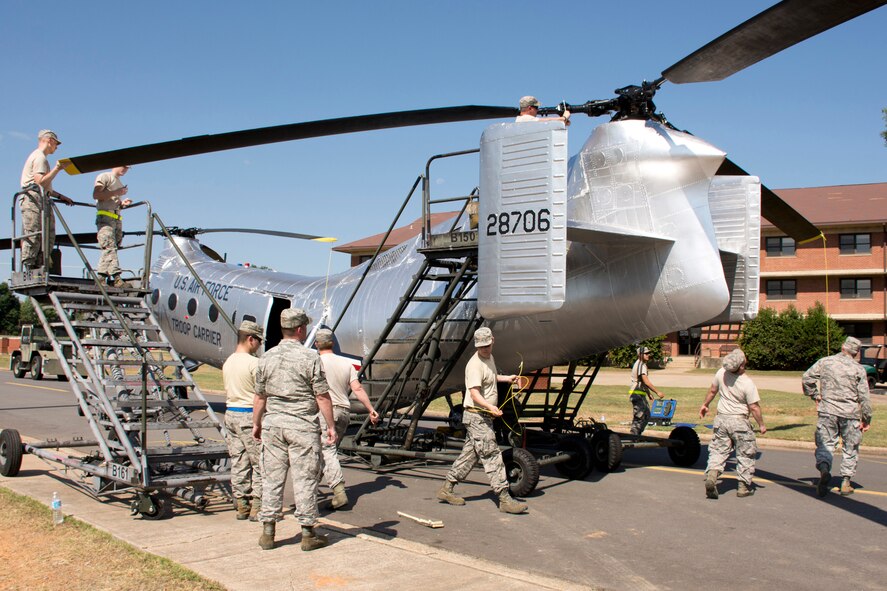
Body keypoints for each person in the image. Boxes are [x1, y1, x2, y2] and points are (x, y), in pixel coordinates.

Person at [253, 308, 336, 551]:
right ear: (300, 329)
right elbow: (322, 396)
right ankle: (308, 534)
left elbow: (260, 396)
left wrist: (257, 423)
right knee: (305, 480)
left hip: (274, 425)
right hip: (302, 426)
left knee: (272, 479)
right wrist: (330, 426)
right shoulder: (310, 358)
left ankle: (268, 532)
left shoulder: (266, 357)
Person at [437, 327, 527, 514]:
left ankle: (447, 489)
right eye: (481, 346)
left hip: (482, 416)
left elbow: (491, 377)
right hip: (477, 415)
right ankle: (504, 497)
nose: (484, 349)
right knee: (491, 453)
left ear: (492, 340)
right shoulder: (474, 364)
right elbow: (475, 394)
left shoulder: (489, 359)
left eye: (487, 345)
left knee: (470, 455)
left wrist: (506, 378)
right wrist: (491, 407)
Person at [314, 328, 379, 510]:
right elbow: (357, 389)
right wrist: (371, 410)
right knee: (325, 452)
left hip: (325, 411)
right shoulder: (346, 363)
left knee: (327, 451)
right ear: (332, 343)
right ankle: (311, 489)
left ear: (316, 344)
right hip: (344, 411)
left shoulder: (315, 362)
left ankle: (338, 490)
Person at [802, 336, 872, 498]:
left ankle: (825, 468)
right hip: (850, 414)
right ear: (856, 353)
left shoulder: (825, 362)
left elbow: (807, 378)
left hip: (827, 411)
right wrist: (866, 419)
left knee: (826, 444)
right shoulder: (858, 369)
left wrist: (815, 395)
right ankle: (846, 481)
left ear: (842, 347)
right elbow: (865, 398)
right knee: (851, 447)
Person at [699, 348, 766, 499]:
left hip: (721, 419)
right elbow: (754, 407)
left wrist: (705, 405)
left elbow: (712, 391)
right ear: (741, 365)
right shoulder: (747, 383)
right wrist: (761, 424)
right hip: (739, 421)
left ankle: (712, 477)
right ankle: (743, 487)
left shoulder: (721, 373)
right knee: (745, 454)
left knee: (718, 451)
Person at [222, 320, 265, 521]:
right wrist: (259, 421)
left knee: (238, 461)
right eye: (258, 341)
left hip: (230, 413)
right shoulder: (254, 364)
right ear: (250, 339)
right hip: (249, 414)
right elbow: (261, 395)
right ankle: (258, 504)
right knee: (259, 462)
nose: (259, 345)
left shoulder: (228, 361)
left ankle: (241, 504)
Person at [18, 130, 74, 273]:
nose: (56, 147)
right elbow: (40, 182)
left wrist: (61, 196)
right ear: (50, 141)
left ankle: (40, 267)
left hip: (42, 198)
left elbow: (45, 186)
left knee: (46, 235)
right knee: (34, 233)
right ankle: (30, 268)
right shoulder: (39, 158)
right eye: (56, 144)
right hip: (33, 199)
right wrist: (57, 169)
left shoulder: (40, 157)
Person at [92, 166, 133, 287]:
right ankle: (116, 278)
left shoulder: (118, 182)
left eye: (127, 168)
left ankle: (101, 277)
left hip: (116, 218)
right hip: (105, 218)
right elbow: (97, 194)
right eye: (124, 167)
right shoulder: (104, 177)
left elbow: (112, 201)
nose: (125, 170)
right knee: (109, 247)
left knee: (111, 248)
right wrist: (116, 192)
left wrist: (121, 203)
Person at [628, 346, 664, 436]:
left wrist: (648, 393)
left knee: (647, 415)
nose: (648, 355)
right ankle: (634, 436)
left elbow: (642, 382)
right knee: (639, 417)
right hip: (636, 394)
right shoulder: (640, 365)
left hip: (640, 394)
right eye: (646, 353)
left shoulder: (642, 364)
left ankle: (637, 434)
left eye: (648, 353)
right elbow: (646, 381)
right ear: (640, 355)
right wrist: (657, 392)